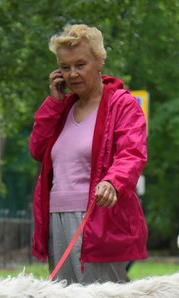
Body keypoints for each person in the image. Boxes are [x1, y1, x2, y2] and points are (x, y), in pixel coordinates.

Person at [29, 24, 148, 284]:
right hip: (56, 217)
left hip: (98, 217)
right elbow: (37, 150)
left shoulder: (122, 104)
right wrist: (53, 104)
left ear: (99, 61)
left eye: (80, 64)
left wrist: (113, 182)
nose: (72, 74)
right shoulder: (62, 108)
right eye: (65, 67)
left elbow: (132, 152)